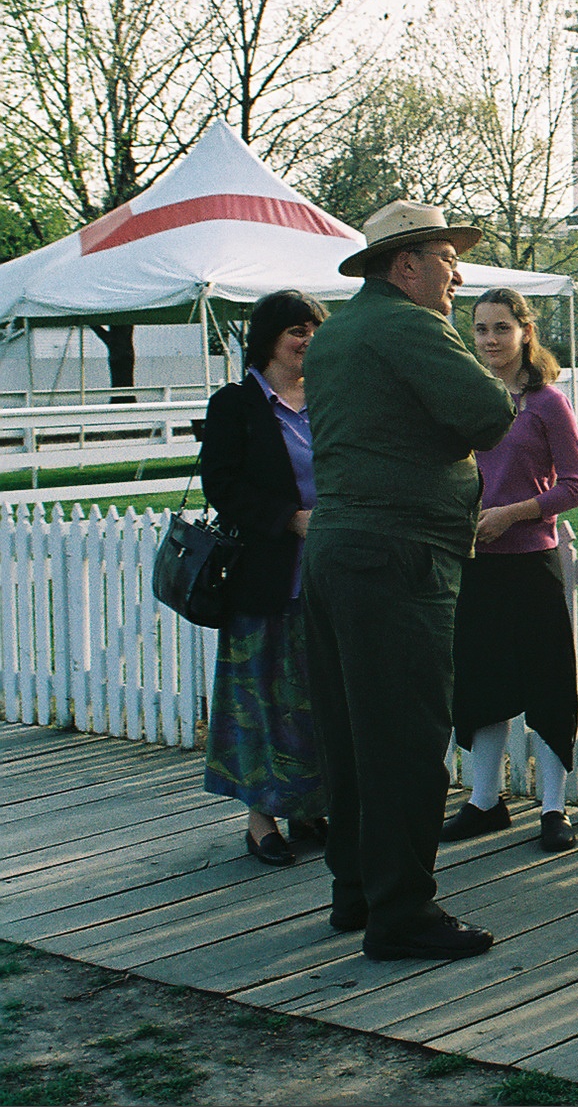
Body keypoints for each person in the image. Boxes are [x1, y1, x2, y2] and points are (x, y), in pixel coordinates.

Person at [303, 200, 516, 963]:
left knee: (352, 731)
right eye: (447, 258)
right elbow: (487, 409)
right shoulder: (410, 324)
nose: (458, 272)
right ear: (406, 265)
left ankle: (356, 889)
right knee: (405, 735)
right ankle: (403, 912)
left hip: (335, 551)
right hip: (400, 557)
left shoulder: (335, 337)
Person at [441, 288, 578, 854]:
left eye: (501, 328)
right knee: (480, 686)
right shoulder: (469, 401)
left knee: (546, 684)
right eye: (480, 330)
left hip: (531, 563)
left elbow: (576, 487)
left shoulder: (547, 402)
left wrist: (512, 514)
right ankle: (485, 802)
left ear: (525, 332)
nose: (490, 340)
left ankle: (555, 808)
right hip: (476, 565)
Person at [199, 289, 331, 868]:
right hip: (264, 578)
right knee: (258, 700)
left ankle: (307, 807)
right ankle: (260, 821)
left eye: (314, 329)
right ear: (268, 338)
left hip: (325, 576)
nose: (307, 340)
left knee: (313, 699)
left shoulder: (328, 400)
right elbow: (222, 488)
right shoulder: (236, 404)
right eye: (296, 330)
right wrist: (289, 519)